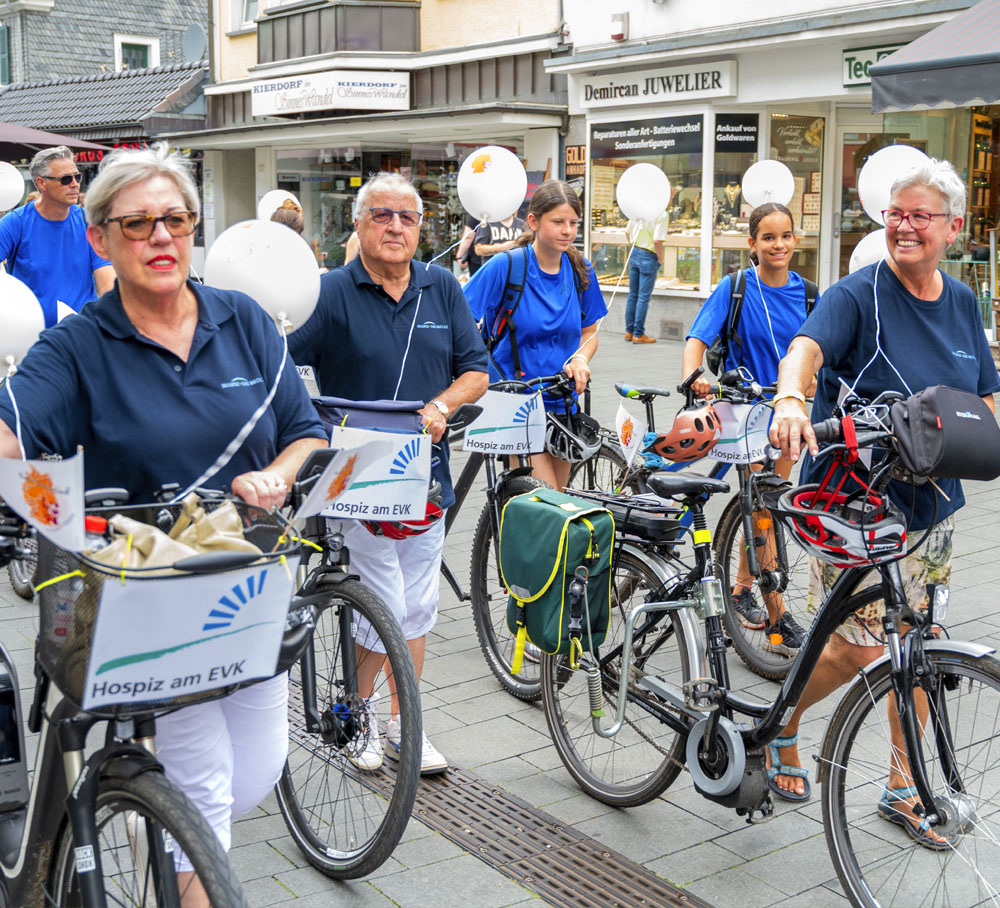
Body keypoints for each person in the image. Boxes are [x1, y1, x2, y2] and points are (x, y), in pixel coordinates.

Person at [0, 144, 328, 904]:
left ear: (193, 229)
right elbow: (12, 429)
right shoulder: (79, 343)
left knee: (257, 769)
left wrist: (279, 473)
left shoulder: (242, 318)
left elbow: (305, 430)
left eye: (175, 220)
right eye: (138, 222)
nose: (160, 238)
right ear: (101, 237)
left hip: (249, 585)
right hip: (143, 598)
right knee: (205, 786)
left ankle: (178, 848)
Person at [767, 159, 1000, 836]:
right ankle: (785, 717)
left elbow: (982, 395)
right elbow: (805, 349)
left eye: (919, 215)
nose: (904, 225)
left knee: (915, 647)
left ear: (952, 228)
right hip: (856, 501)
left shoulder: (961, 302)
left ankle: (903, 785)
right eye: (896, 213)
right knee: (856, 651)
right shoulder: (857, 294)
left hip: (932, 510)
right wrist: (788, 397)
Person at [289, 172, 489, 774]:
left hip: (425, 474)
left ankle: (404, 723)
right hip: (356, 474)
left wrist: (443, 405)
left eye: (407, 216)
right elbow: (278, 360)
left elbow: (476, 369)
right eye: (382, 215)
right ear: (359, 224)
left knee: (419, 603)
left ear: (422, 226)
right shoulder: (327, 291)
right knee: (387, 600)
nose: (396, 226)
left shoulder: (441, 288)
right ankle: (357, 712)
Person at [682, 202, 816, 653]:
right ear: (752, 243)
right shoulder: (736, 286)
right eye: (768, 237)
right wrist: (692, 376)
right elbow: (697, 340)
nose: (778, 245)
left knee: (763, 506)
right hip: (742, 414)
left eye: (785, 236)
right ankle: (778, 620)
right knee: (764, 509)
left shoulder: (812, 295)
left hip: (787, 420)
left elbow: (819, 355)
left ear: (795, 240)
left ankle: (739, 589)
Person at [464, 180, 607, 491]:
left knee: (555, 507)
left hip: (563, 402)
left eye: (573, 223)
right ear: (533, 221)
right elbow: (460, 322)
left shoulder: (580, 268)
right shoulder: (507, 266)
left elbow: (589, 330)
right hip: (516, 405)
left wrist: (581, 357)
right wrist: (477, 376)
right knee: (548, 505)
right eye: (558, 222)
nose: (567, 230)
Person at [0, 146, 115, 327]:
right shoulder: (16, 223)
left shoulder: (88, 222)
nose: (75, 184)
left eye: (77, 177)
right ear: (41, 183)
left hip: (80, 332)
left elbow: (107, 279)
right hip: (30, 335)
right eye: (65, 179)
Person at [623, 213, 667, 343]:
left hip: (634, 252)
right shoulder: (661, 214)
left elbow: (627, 232)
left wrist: (634, 246)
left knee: (633, 295)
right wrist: (660, 258)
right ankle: (638, 334)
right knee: (643, 297)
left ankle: (629, 331)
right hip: (648, 255)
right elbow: (657, 240)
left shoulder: (639, 209)